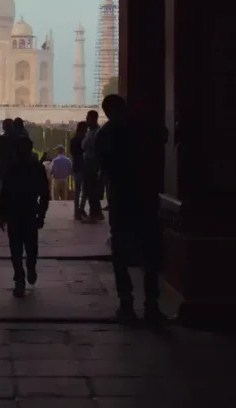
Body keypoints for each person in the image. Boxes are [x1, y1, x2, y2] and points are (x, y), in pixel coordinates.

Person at [94, 93, 168, 328]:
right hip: (145, 197)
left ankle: (126, 306)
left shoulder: (105, 133)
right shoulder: (143, 127)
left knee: (121, 255)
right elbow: (163, 138)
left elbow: (104, 167)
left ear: (107, 112)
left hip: (122, 200)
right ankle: (152, 307)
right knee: (150, 254)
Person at [0, 135, 50, 297]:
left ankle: (19, 278)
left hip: (14, 211)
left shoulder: (11, 168)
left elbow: (4, 194)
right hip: (30, 210)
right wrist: (41, 214)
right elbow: (45, 194)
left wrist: (2, 215)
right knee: (31, 246)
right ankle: (29, 268)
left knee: (16, 249)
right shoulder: (37, 168)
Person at [80, 110, 105, 221]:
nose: (86, 120)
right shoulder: (92, 131)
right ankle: (97, 213)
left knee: (91, 189)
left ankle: (94, 214)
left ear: (93, 119)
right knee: (91, 189)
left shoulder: (96, 132)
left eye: (88, 118)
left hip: (92, 163)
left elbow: (85, 145)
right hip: (90, 162)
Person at [0, 118, 16, 202]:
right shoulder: (17, 138)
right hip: (15, 166)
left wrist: (1, 156)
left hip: (3, 165)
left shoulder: (1, 139)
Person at [69, 121, 88, 220]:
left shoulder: (74, 139)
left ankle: (77, 210)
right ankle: (80, 209)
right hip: (82, 166)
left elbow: (73, 153)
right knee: (84, 190)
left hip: (77, 166)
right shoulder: (83, 139)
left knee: (78, 190)